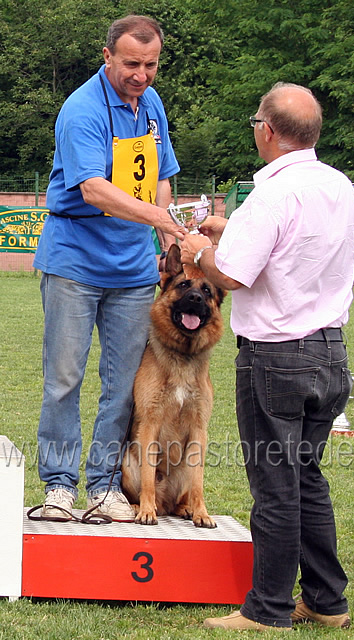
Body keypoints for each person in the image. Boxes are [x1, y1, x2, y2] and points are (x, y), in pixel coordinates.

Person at [181, 82, 354, 631]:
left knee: (276, 487)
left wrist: (199, 250)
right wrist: (227, 231)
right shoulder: (339, 186)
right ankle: (327, 601)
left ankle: (268, 608)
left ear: (268, 131)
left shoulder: (271, 193)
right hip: (330, 351)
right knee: (307, 479)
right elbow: (292, 248)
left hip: (276, 356)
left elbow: (231, 275)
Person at [33, 15, 184, 522]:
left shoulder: (151, 105)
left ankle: (104, 487)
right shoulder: (82, 109)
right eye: (131, 64)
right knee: (64, 378)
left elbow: (162, 175)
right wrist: (158, 217)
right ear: (107, 57)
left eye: (151, 65)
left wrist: (165, 233)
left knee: (123, 383)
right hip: (74, 260)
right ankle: (58, 486)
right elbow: (93, 189)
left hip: (134, 269)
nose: (141, 75)